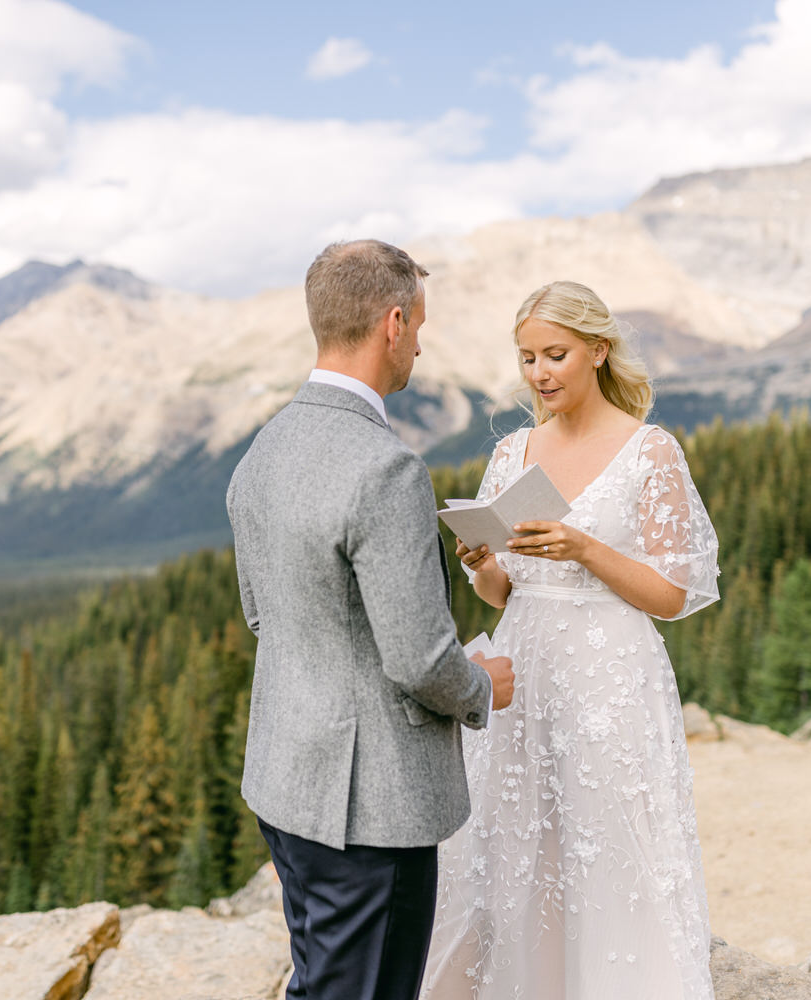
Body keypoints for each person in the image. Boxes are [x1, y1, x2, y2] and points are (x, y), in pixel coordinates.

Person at [226, 239, 517, 1000]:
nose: (420, 343)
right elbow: (421, 660)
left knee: (322, 985)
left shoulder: (264, 449)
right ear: (393, 324)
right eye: (418, 326)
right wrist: (482, 683)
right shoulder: (384, 467)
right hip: (371, 807)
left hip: (287, 784)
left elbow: (263, 614)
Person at [421, 280, 721, 1000]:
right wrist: (484, 564)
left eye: (554, 355)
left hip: (610, 670)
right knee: (518, 841)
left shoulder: (650, 451)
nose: (540, 374)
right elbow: (506, 592)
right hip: (522, 663)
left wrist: (585, 550)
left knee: (609, 841)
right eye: (527, 358)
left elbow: (675, 595)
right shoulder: (513, 451)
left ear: (597, 349)